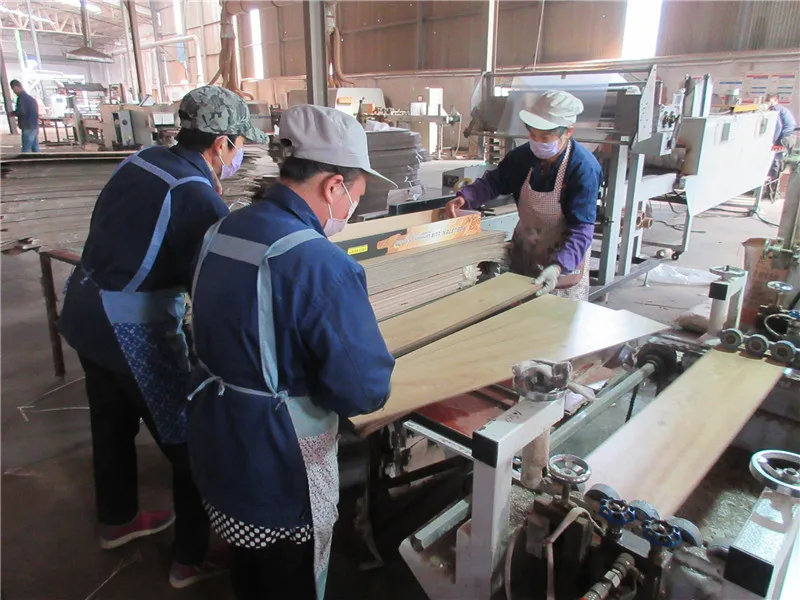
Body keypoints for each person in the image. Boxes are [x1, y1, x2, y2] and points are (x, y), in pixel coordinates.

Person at [58, 85, 267, 588]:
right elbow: (214, 283)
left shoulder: (143, 160)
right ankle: (190, 557)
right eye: (240, 143)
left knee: (111, 422)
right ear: (221, 143)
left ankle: (118, 519)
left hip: (85, 308)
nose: (240, 153)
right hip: (131, 328)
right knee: (188, 442)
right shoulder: (196, 196)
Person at [186, 105, 396, 600]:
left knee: (249, 564)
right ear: (334, 186)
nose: (352, 209)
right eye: (356, 196)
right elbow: (364, 390)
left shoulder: (223, 230)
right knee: (288, 575)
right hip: (279, 458)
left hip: (218, 435)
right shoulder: (320, 263)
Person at [446, 90, 602, 301]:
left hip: (564, 256)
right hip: (526, 248)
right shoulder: (524, 157)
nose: (537, 142)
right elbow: (495, 181)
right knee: (519, 307)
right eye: (533, 135)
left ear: (568, 132)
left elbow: (582, 228)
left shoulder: (583, 168)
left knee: (556, 314)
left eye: (545, 137)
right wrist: (466, 197)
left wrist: (558, 266)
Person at [10, 79, 40, 153]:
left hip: (27, 125)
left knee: (26, 148)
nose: (14, 92)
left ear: (16, 87)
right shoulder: (30, 98)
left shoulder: (21, 98)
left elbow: (21, 111)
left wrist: (13, 113)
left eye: (13, 89)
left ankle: (25, 160)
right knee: (35, 147)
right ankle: (39, 159)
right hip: (34, 124)